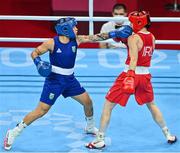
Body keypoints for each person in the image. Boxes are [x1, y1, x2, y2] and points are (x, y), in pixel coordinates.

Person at [3, 17, 132, 150]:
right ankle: (13, 132)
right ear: (65, 30)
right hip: (54, 82)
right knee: (41, 111)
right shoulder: (51, 43)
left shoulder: (77, 39)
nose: (77, 28)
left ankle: (89, 126)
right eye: (74, 27)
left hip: (70, 80)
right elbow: (35, 53)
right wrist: (38, 63)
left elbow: (96, 37)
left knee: (88, 102)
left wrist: (114, 34)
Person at [86, 11, 177, 149]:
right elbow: (143, 53)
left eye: (131, 21)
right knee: (152, 105)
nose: (129, 24)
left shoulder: (133, 38)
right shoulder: (152, 37)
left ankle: (99, 140)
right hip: (145, 76)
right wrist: (122, 39)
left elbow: (134, 58)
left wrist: (129, 76)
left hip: (130, 74)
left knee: (108, 105)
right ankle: (168, 134)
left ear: (137, 22)